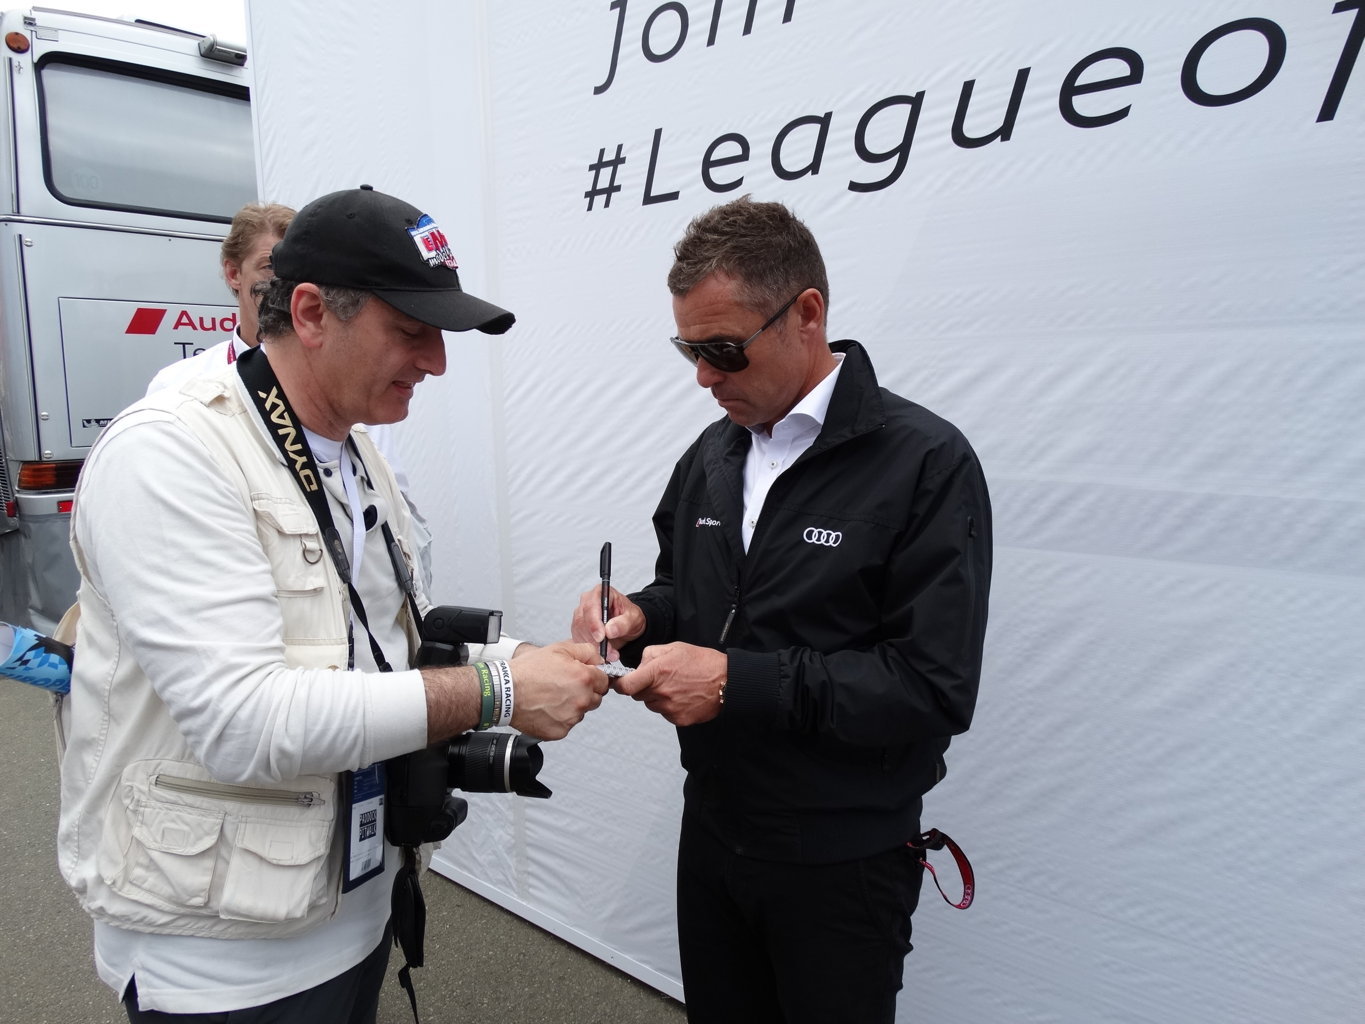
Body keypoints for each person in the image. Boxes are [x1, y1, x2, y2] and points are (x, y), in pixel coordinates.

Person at [59, 185, 609, 1022]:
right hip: (223, 965)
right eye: (412, 329)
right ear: (312, 312)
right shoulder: (170, 452)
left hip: (353, 911)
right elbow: (243, 723)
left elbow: (378, 651)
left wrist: (526, 661)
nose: (436, 362)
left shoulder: (354, 453)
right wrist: (498, 691)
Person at [572, 196, 992, 1024]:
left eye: (722, 350)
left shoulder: (925, 462)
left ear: (807, 315)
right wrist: (639, 616)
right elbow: (691, 595)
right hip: (712, 831)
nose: (703, 377)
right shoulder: (713, 451)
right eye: (689, 350)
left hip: (840, 860)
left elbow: (931, 686)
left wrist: (736, 683)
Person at [148, 200, 433, 586]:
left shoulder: (351, 392)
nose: (281, 280)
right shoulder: (178, 390)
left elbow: (393, 502)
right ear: (233, 273)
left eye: (292, 268)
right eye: (269, 265)